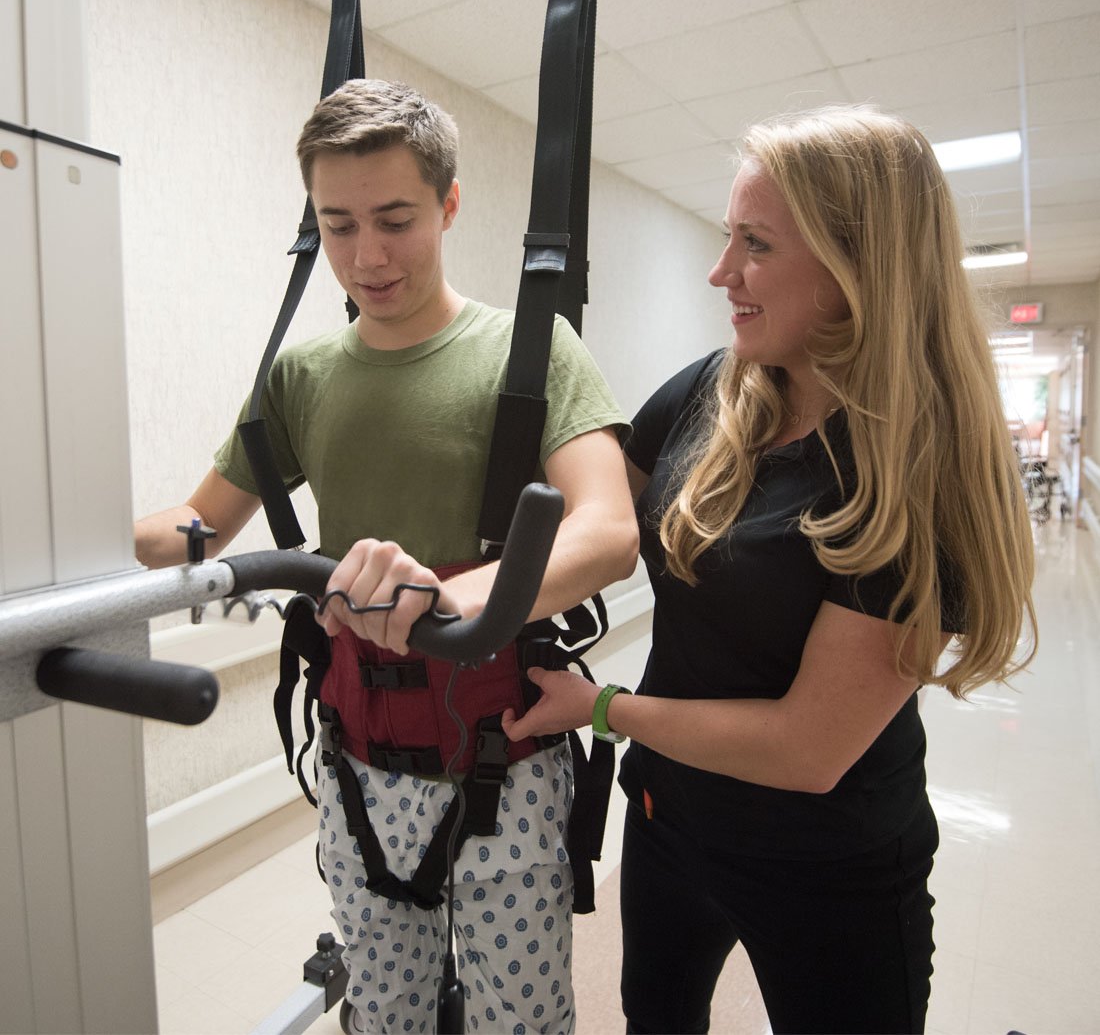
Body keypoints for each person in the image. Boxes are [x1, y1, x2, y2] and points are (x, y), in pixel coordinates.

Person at [502, 105, 1037, 1035]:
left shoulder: (916, 478)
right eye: (727, 238)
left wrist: (600, 709)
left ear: (854, 266)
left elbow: (806, 749)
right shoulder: (715, 389)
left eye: (756, 245)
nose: (722, 273)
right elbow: (598, 516)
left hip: (829, 864)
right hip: (671, 820)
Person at [135, 78, 638, 1034]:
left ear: (449, 205)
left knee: (520, 1023)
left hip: (506, 766)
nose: (366, 257)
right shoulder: (301, 376)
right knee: (382, 1014)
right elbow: (195, 530)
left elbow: (609, 531)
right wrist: (60, 535)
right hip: (361, 765)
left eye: (396, 219)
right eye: (338, 225)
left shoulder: (530, 353)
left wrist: (451, 596)